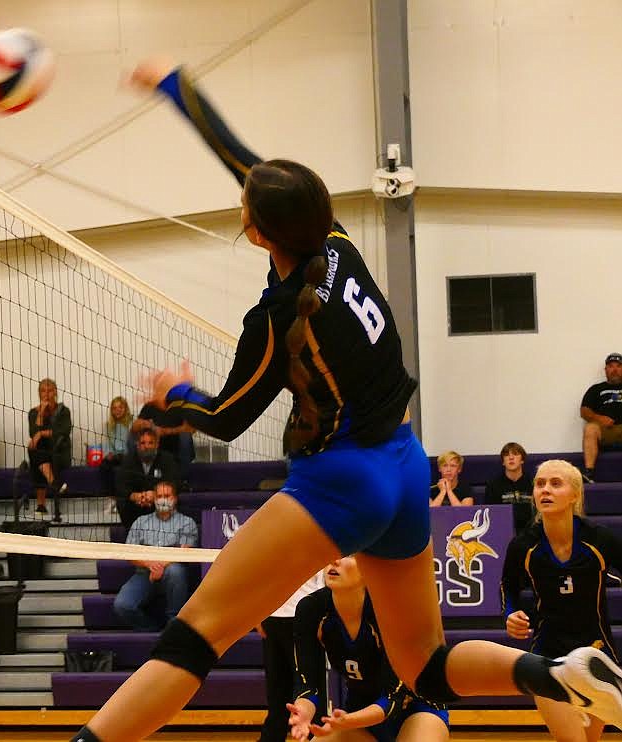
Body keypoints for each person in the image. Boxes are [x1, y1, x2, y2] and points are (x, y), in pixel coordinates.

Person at [68, 58, 622, 742]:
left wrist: (169, 396)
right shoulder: (339, 245)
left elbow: (225, 418)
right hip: (402, 463)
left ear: (255, 229)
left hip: (342, 478)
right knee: (424, 666)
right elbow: (249, 167)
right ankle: (553, 673)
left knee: (195, 636)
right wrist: (177, 89)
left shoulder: (278, 315)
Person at [502, 460, 622, 742]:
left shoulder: (598, 539)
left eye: (556, 483)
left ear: (575, 495)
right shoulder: (523, 546)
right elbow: (508, 587)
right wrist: (511, 613)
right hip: (546, 654)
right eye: (540, 483)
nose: (545, 489)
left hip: (597, 654)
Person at [288, 557, 449, 741]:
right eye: (332, 551)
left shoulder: (388, 608)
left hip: (415, 707)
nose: (334, 560)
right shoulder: (312, 609)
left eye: (348, 554)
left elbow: (392, 699)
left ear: (369, 569)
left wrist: (348, 721)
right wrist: (303, 711)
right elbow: (307, 686)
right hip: (360, 708)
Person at [113, 481, 198, 631]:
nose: (163, 499)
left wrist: (159, 565)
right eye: (159, 496)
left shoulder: (187, 522)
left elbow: (185, 551)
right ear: (154, 499)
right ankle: (151, 630)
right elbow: (129, 553)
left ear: (175, 498)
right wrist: (149, 565)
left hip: (172, 571)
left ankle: (174, 625)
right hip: (145, 573)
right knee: (122, 606)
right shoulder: (140, 522)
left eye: (167, 496)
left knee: (175, 571)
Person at [255, 573, 324, 742]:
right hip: (273, 618)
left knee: (310, 686)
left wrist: (322, 616)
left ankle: (317, 735)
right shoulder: (267, 547)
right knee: (277, 693)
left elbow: (324, 577)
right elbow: (259, 574)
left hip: (304, 618)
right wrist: (257, 613)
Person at [114, 426, 180, 530]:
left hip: (160, 501)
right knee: (122, 500)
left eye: (150, 443)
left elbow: (174, 482)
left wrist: (155, 494)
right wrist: (134, 495)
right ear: (137, 445)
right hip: (136, 504)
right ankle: (132, 532)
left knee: (170, 498)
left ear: (157, 444)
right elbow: (120, 485)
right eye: (143, 443)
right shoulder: (128, 461)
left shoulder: (167, 460)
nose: (146, 446)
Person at [27, 378, 72, 518]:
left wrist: (41, 433)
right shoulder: (33, 413)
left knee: (35, 453)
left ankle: (41, 505)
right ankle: (55, 484)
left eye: (50, 390)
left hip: (60, 452)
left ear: (56, 392)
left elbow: (63, 431)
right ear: (39, 393)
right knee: (35, 450)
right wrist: (41, 413)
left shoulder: (63, 411)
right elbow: (32, 433)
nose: (46, 394)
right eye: (43, 391)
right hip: (43, 454)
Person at [581, 353, 622, 482]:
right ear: (606, 370)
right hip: (605, 431)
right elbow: (584, 411)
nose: (614, 370)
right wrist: (599, 419)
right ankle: (589, 473)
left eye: (618, 366)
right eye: (610, 366)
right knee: (590, 428)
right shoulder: (596, 389)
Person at [484, 442, 535, 534]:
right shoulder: (493, 485)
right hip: (502, 531)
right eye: (507, 455)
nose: (511, 458)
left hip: (531, 532)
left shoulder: (533, 483)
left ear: (522, 460)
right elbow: (490, 513)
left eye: (515, 454)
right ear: (503, 462)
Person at [99, 396, 134, 505]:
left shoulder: (131, 423)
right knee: (104, 465)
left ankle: (123, 498)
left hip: (127, 455)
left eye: (120, 407)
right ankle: (111, 498)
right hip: (115, 455)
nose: (117, 410)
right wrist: (108, 453)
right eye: (114, 408)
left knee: (122, 468)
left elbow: (133, 444)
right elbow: (106, 442)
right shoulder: (109, 426)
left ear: (125, 408)